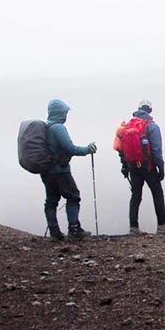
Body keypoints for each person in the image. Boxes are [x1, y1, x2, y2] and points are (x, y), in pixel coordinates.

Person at [41, 99, 96, 242]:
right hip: (60, 170)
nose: (66, 114)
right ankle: (74, 230)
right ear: (60, 112)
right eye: (65, 112)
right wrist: (87, 150)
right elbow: (69, 148)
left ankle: (54, 232)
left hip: (46, 170)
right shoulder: (58, 128)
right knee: (73, 196)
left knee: (51, 200)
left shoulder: (45, 127)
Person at [119, 100, 165, 234]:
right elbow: (156, 150)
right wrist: (161, 168)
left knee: (136, 195)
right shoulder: (152, 126)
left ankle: (133, 227)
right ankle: (162, 225)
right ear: (150, 110)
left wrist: (125, 166)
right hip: (148, 166)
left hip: (133, 165)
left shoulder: (127, 126)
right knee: (157, 193)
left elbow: (122, 149)